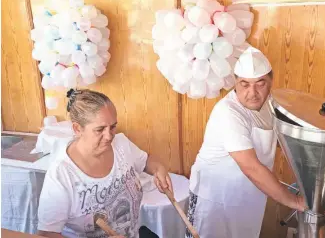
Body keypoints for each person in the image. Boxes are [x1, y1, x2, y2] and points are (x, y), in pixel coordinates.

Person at [186, 47, 307, 238]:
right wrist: (295, 202)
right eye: (244, 84)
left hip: (246, 197)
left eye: (260, 84)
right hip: (213, 200)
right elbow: (251, 167)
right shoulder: (228, 113)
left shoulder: (270, 103)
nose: (253, 93)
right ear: (235, 83)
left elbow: (277, 139)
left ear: (270, 82)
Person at [37, 89, 171, 238]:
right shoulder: (62, 174)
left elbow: (146, 161)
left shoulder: (121, 144)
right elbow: (46, 234)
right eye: (99, 129)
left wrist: (159, 169)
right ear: (77, 128)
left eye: (113, 126)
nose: (109, 136)